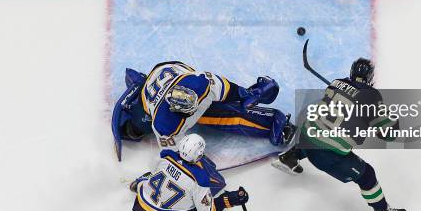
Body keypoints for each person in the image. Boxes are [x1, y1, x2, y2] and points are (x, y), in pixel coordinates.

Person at [272, 58, 407, 211]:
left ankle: (290, 156)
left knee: (317, 132)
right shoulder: (372, 96)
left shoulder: (336, 83)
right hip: (328, 156)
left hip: (304, 138)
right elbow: (389, 134)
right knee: (367, 175)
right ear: (370, 77)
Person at [112, 61, 295, 160]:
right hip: (158, 83)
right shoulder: (163, 125)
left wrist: (248, 94)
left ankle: (272, 122)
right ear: (175, 108)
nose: (194, 109)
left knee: (216, 114)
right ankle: (139, 86)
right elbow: (172, 157)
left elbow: (229, 90)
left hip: (171, 69)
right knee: (137, 128)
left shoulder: (202, 84)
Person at [130, 134, 249, 211]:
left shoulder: (164, 157)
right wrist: (232, 198)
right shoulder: (199, 180)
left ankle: (138, 185)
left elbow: (153, 167)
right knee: (218, 207)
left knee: (151, 175)